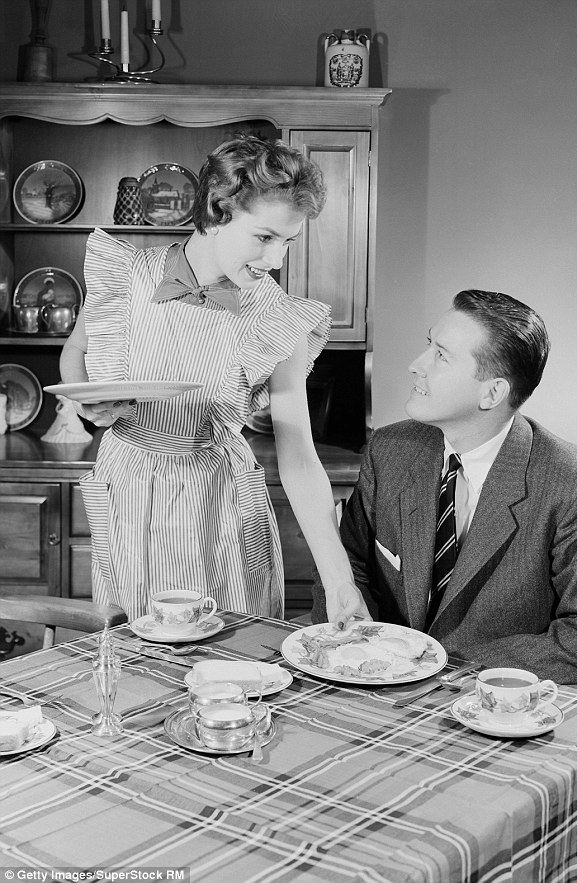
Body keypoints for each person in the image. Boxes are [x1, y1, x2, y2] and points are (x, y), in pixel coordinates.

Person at [60, 135, 369, 624]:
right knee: (142, 656)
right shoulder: (127, 275)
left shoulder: (274, 315)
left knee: (235, 658)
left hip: (219, 495)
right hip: (130, 486)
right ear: (217, 209)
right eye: (265, 237)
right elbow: (76, 350)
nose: (276, 261)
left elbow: (299, 455)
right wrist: (86, 404)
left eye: (288, 242)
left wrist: (340, 581)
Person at [312, 290, 577, 686]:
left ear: (492, 393)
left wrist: (445, 667)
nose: (416, 365)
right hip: (377, 688)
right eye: (429, 344)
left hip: (493, 706)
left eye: (441, 356)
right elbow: (347, 563)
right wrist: (365, 650)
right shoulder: (390, 450)